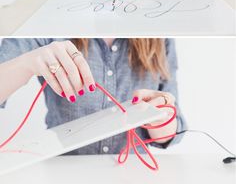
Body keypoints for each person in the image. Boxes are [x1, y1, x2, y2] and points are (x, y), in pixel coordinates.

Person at [0, 38, 185, 154]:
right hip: (63, 176)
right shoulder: (47, 28)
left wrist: (159, 116)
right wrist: (27, 64)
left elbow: (171, 134)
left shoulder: (160, 37)